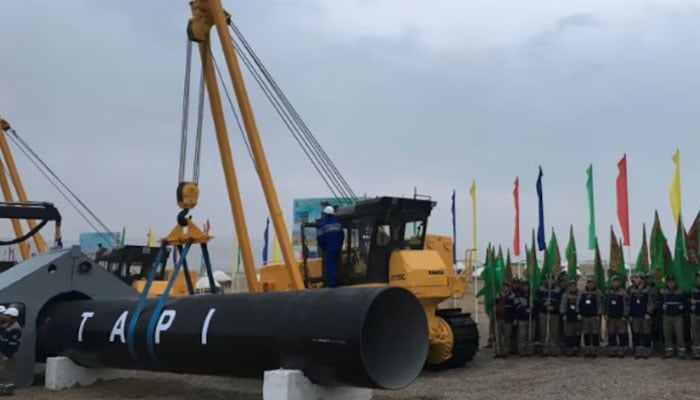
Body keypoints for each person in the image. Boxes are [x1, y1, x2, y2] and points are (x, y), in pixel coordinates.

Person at [316, 205, 344, 288]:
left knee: (330, 266)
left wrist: (324, 248)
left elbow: (320, 239)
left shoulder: (322, 225)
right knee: (337, 264)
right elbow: (342, 236)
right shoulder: (338, 224)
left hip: (329, 249)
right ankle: (339, 280)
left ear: (325, 214)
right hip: (337, 248)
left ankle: (332, 285)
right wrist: (340, 245)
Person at [659, 275, 686, 359]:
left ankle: (681, 353)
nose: (671, 283)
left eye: (672, 281)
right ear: (666, 282)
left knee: (679, 335)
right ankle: (669, 352)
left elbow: (684, 302)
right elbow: (658, 303)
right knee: (667, 335)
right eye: (669, 281)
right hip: (666, 316)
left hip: (677, 316)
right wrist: (662, 307)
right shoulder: (662, 292)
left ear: (675, 282)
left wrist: (682, 307)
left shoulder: (680, 291)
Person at [628, 272, 654, 359]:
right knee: (636, 333)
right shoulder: (632, 290)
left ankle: (646, 351)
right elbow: (629, 303)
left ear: (642, 280)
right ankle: (638, 351)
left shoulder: (648, 289)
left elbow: (651, 302)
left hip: (644, 316)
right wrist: (630, 314)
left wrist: (648, 313)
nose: (635, 280)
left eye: (637, 278)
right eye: (635, 278)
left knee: (646, 333)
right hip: (635, 316)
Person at [537, 275, 562, 356]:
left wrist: (553, 306)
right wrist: (544, 304)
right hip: (543, 313)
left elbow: (560, 301)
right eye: (548, 279)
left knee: (554, 331)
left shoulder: (558, 290)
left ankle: (555, 349)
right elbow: (537, 300)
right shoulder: (540, 289)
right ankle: (545, 349)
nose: (550, 280)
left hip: (554, 313)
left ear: (554, 280)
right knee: (544, 331)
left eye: (552, 279)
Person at [578, 275, 603, 358]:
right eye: (588, 282)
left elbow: (600, 304)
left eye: (591, 282)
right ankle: (587, 349)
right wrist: (579, 313)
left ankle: (594, 350)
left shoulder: (598, 292)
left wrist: (599, 314)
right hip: (585, 316)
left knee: (595, 333)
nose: (590, 284)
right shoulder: (582, 292)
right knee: (586, 333)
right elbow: (578, 303)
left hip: (594, 316)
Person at [604, 275, 629, 358]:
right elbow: (605, 304)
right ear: (611, 282)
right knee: (611, 333)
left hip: (620, 317)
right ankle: (613, 350)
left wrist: (625, 315)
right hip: (611, 317)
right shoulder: (608, 292)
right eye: (614, 281)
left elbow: (626, 305)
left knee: (622, 334)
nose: (616, 283)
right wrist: (605, 313)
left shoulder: (623, 292)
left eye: (617, 281)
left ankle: (622, 350)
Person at [0, 306, 21, 395]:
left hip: (9, 354)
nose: (4, 316)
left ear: (11, 317)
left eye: (6, 315)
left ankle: (8, 391)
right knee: (3, 372)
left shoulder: (15, 328)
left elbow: (13, 344)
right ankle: (2, 389)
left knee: (9, 372)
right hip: (4, 352)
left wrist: (7, 355)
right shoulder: (7, 325)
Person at [493, 282, 516, 358]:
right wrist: (494, 308)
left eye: (506, 287)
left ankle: (506, 352)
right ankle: (498, 351)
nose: (505, 288)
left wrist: (514, 319)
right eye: (503, 287)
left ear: (509, 288)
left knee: (507, 336)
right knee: (498, 335)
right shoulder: (497, 295)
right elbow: (495, 304)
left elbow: (514, 309)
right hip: (499, 318)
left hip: (508, 319)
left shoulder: (512, 296)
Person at [560, 280, 581, 357]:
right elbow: (562, 305)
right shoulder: (565, 295)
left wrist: (580, 313)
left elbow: (582, 305)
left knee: (577, 334)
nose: (573, 287)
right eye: (571, 286)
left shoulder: (580, 294)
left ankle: (576, 349)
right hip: (568, 317)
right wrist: (563, 314)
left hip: (577, 317)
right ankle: (569, 349)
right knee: (569, 334)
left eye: (574, 285)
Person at [514, 280, 533, 356]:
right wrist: (525, 310)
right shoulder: (518, 294)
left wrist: (533, 307)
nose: (526, 287)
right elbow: (517, 305)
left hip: (531, 318)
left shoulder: (532, 294)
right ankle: (522, 350)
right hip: (522, 318)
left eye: (527, 286)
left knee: (530, 335)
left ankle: (529, 350)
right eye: (524, 286)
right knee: (522, 335)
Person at [690, 270, 700, 359]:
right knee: (695, 334)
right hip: (694, 315)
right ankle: (696, 352)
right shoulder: (693, 289)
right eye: (698, 278)